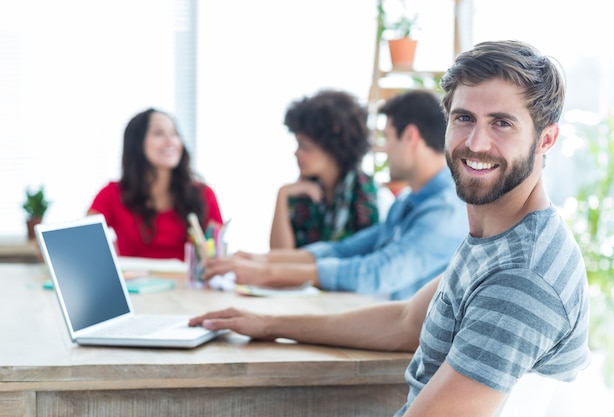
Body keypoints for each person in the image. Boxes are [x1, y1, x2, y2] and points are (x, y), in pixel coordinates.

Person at [190, 40, 591, 416]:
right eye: (463, 118)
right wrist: (271, 324)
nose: (476, 142)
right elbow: (404, 322)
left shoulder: (521, 278)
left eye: (502, 123)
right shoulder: (498, 238)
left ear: (546, 140)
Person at [202, 89, 468, 300]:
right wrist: (260, 260)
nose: (383, 150)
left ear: (410, 137)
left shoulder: (445, 209)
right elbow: (345, 250)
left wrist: (268, 272)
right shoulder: (410, 200)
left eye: (386, 138)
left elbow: (377, 272)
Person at [88, 108, 223, 261]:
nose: (170, 141)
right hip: (133, 283)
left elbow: (218, 255)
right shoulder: (112, 194)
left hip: (188, 284)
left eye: (175, 134)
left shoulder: (203, 195)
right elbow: (83, 241)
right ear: (137, 143)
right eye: (158, 134)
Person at [270, 89, 379, 249]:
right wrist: (282, 194)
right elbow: (278, 256)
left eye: (304, 146)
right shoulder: (300, 193)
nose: (296, 153)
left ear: (332, 149)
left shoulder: (364, 191)